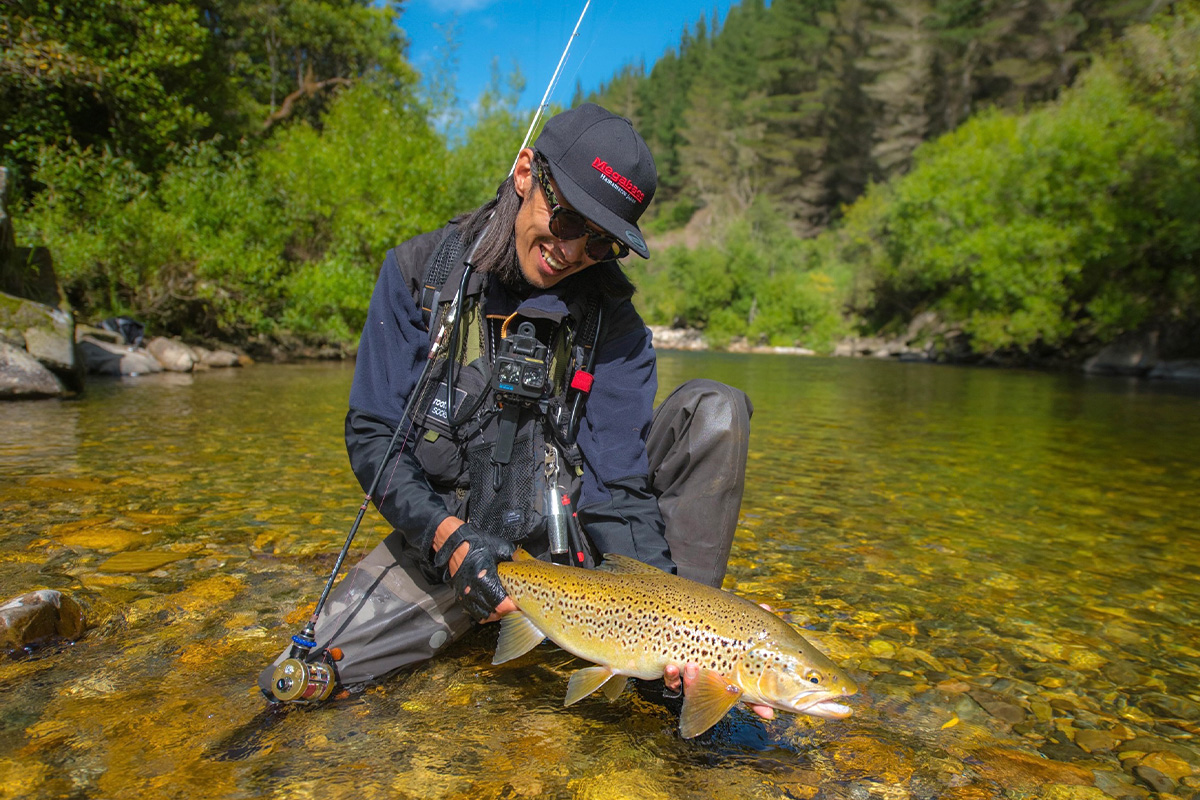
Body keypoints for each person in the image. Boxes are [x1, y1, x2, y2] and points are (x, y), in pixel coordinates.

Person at [259, 103, 755, 710]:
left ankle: (679, 667)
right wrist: (447, 538)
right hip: (448, 542)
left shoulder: (615, 325)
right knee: (304, 683)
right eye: (569, 220)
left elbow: (618, 485)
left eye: (602, 243)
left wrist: (679, 629)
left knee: (716, 409)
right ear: (526, 173)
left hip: (573, 559)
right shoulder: (420, 276)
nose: (573, 252)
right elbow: (372, 435)